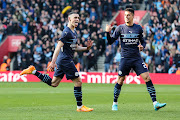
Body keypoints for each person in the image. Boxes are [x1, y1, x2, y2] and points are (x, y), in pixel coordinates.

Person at [20, 11, 94, 112]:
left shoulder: (73, 32)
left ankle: (33, 71)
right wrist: (53, 62)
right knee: (78, 82)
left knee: (54, 83)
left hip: (63, 60)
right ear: (69, 19)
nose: (77, 19)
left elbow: (75, 47)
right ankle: (80, 107)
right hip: (65, 60)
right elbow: (58, 46)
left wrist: (86, 48)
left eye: (78, 18)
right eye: (75, 17)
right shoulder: (66, 32)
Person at [106, 8, 166, 111]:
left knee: (147, 77)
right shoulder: (120, 28)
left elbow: (143, 42)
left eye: (128, 15)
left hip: (137, 58)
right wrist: (107, 33)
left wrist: (142, 46)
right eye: (125, 15)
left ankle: (155, 103)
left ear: (133, 16)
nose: (126, 17)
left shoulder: (138, 28)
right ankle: (114, 103)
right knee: (120, 80)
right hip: (125, 58)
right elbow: (110, 41)